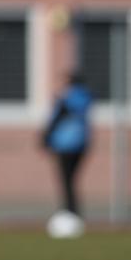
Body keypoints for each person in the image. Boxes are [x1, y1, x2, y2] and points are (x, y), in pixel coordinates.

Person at [42, 72, 93, 237]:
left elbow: (56, 118)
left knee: (66, 181)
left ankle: (68, 212)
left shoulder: (66, 99)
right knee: (72, 180)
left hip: (65, 144)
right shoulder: (86, 97)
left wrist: (45, 137)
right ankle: (73, 212)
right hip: (82, 144)